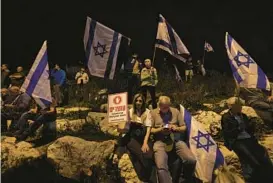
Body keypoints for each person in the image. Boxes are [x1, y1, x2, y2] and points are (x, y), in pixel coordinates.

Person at [221, 99, 273, 183]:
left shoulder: (243, 116)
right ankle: (250, 178)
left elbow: (248, 130)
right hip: (236, 140)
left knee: (263, 152)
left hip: (248, 138)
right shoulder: (226, 117)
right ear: (231, 107)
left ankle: (268, 176)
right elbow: (228, 132)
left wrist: (252, 126)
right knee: (248, 155)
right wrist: (239, 128)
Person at [150, 96, 196, 183]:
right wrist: (160, 129)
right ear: (159, 106)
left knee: (191, 160)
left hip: (175, 140)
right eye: (164, 107)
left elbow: (184, 127)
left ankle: (185, 179)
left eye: (168, 107)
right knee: (161, 167)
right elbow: (150, 130)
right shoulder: (153, 113)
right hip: (160, 141)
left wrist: (176, 128)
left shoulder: (175, 111)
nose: (166, 109)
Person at [115, 93, 156, 182]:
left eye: (140, 101)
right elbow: (125, 128)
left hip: (144, 137)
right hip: (132, 138)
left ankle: (146, 176)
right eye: (136, 101)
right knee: (140, 154)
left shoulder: (147, 112)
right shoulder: (130, 111)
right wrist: (120, 127)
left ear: (143, 102)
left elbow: (149, 128)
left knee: (148, 155)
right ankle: (148, 178)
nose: (138, 102)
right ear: (134, 101)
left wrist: (145, 143)